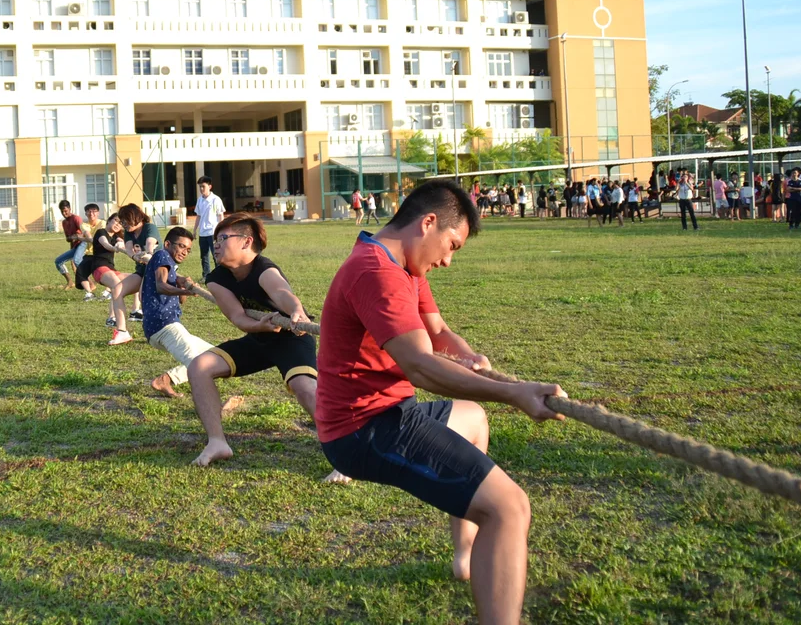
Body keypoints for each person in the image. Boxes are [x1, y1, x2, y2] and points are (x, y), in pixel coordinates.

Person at [315, 179, 565, 623]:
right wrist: (515, 394)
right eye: (452, 245)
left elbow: (438, 332)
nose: (448, 260)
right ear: (428, 222)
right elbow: (422, 367)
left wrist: (470, 358)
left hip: (391, 410)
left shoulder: (405, 266)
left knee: (473, 420)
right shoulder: (376, 271)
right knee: (510, 508)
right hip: (363, 428)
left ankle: (466, 556)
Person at [183, 213, 347, 483]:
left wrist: (296, 311)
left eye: (223, 238)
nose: (216, 244)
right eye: (215, 239)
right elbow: (238, 317)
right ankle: (217, 442)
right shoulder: (217, 278)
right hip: (259, 338)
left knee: (304, 387)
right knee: (199, 367)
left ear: (246, 241)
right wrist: (261, 326)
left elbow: (283, 293)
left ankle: (345, 454)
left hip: (292, 337)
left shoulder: (264, 269)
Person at [144, 227, 218, 399]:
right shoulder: (162, 255)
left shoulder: (171, 266)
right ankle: (209, 403)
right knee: (200, 364)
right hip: (163, 324)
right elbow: (161, 286)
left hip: (168, 324)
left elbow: (181, 301)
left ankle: (165, 380)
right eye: (181, 246)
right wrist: (187, 291)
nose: (185, 252)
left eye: (188, 250)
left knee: (215, 356)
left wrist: (182, 284)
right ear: (167, 244)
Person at [106, 203, 160, 345]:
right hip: (142, 271)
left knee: (143, 296)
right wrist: (135, 256)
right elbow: (129, 248)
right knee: (117, 290)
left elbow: (150, 243)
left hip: (156, 270)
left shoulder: (149, 228)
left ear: (135, 217)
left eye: (125, 221)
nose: (123, 224)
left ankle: (157, 331)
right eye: (122, 222)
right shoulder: (129, 232)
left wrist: (148, 254)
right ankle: (122, 332)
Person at [78, 213, 128, 308]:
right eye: (116, 220)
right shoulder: (101, 232)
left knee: (136, 280)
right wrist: (114, 248)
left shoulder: (116, 237)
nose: (118, 224)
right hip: (99, 267)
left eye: (121, 223)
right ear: (109, 221)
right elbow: (105, 244)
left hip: (110, 268)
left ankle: (135, 311)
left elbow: (124, 243)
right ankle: (112, 315)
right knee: (117, 285)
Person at [74, 204, 112, 301]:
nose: (91, 213)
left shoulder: (103, 223)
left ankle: (108, 292)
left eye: (94, 211)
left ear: (98, 213)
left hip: (103, 253)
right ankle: (89, 293)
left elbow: (99, 235)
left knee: (106, 273)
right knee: (80, 272)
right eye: (89, 211)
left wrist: (82, 238)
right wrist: (87, 238)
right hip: (90, 253)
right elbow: (88, 234)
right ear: (85, 213)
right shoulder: (84, 225)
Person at [194, 176, 226, 278]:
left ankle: (219, 276)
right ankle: (206, 276)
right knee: (204, 256)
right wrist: (195, 230)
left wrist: (221, 230)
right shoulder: (199, 200)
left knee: (216, 255)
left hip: (213, 232)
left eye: (203, 186)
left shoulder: (216, 199)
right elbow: (198, 216)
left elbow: (220, 215)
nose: (201, 189)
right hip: (202, 233)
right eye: (200, 187)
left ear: (210, 186)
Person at [54, 201, 87, 290]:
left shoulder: (76, 218)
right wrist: (70, 240)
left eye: (65, 211)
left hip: (83, 243)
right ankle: (70, 282)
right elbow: (68, 239)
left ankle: (89, 282)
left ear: (70, 209)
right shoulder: (64, 222)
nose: (64, 213)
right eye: (62, 211)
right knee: (58, 261)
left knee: (77, 260)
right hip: (75, 247)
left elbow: (85, 233)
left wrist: (76, 236)